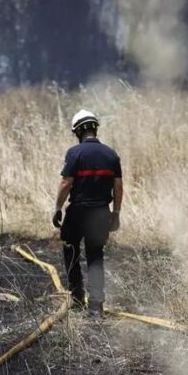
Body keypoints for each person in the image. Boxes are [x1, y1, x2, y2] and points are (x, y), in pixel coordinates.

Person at [52, 109, 123, 318]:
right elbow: (118, 187)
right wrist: (116, 214)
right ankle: (96, 307)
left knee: (70, 250)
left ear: (78, 131)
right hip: (101, 213)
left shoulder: (74, 153)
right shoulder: (111, 154)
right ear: (95, 128)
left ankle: (76, 297)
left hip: (78, 212)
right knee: (95, 257)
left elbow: (66, 182)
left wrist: (57, 207)